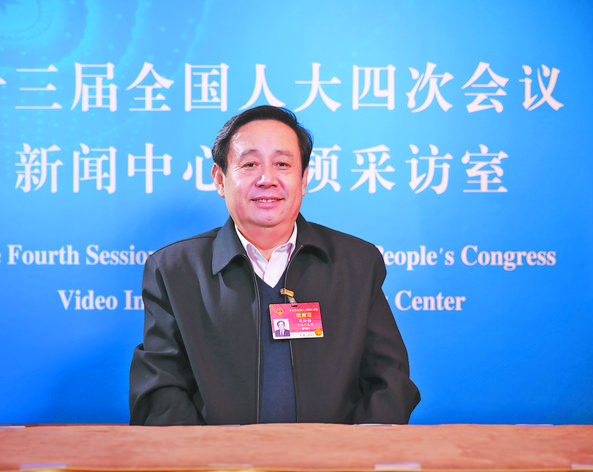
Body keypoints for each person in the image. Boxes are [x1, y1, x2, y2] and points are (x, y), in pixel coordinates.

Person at [129, 105, 420, 425]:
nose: (267, 179)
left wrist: (353, 449)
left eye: (282, 164)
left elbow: (388, 379)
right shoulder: (175, 270)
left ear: (304, 178)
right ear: (220, 179)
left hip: (336, 453)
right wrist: (208, 451)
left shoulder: (356, 263)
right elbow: (160, 389)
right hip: (215, 455)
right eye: (250, 164)